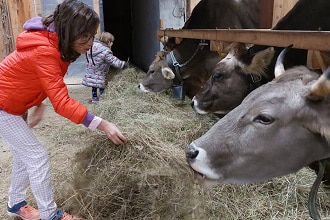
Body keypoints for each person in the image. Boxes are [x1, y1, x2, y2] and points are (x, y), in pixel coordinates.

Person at [0, 0, 128, 220]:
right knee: (37, 157)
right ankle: (51, 215)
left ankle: (15, 204)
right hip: (3, 107)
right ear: (71, 31)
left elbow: (40, 79)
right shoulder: (45, 50)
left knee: (24, 156)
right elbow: (62, 102)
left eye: (93, 34)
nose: (91, 41)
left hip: (12, 105)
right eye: (86, 35)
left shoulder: (58, 45)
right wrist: (102, 123)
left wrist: (38, 102)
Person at [82, 32, 128, 103]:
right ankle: (103, 99)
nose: (112, 44)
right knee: (101, 87)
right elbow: (113, 60)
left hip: (91, 71)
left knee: (94, 86)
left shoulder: (91, 46)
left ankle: (94, 99)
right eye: (112, 42)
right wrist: (122, 64)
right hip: (100, 73)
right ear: (109, 42)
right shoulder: (105, 51)